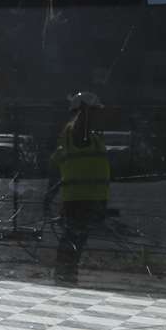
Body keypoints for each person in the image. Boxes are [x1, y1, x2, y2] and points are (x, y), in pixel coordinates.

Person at [45, 91, 111, 287]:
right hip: (77, 204)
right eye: (95, 112)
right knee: (71, 244)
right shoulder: (74, 139)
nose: (100, 117)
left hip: (93, 203)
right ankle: (64, 280)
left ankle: (66, 279)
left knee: (75, 244)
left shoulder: (95, 141)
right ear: (85, 113)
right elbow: (57, 171)